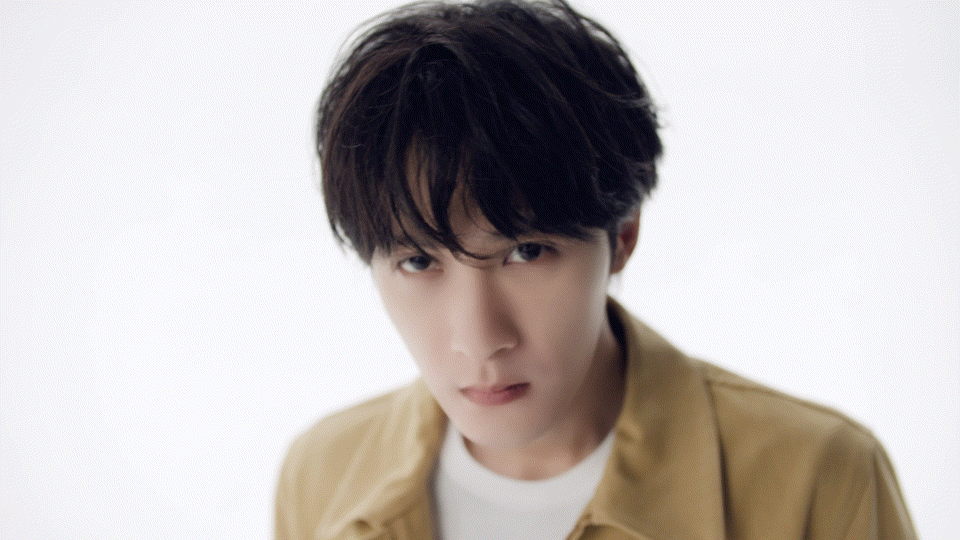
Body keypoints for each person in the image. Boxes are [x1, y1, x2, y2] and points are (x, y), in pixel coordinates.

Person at [275, 1, 916, 538]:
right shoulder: (323, 476)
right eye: (418, 261)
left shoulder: (818, 476)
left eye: (526, 252)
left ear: (623, 234)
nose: (479, 340)